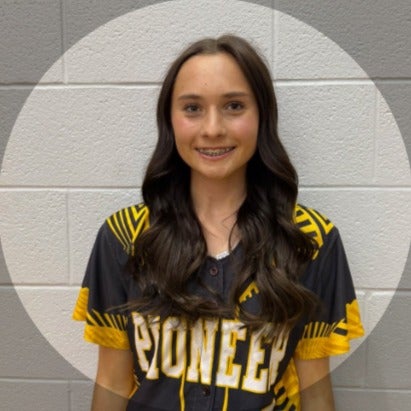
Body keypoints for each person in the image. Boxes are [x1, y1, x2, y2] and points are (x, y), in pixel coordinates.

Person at [73, 34, 364, 411]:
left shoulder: (310, 241)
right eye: (192, 108)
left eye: (234, 106)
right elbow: (112, 382)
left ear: (262, 116)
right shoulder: (124, 238)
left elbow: (315, 392)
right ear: (170, 119)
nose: (212, 128)